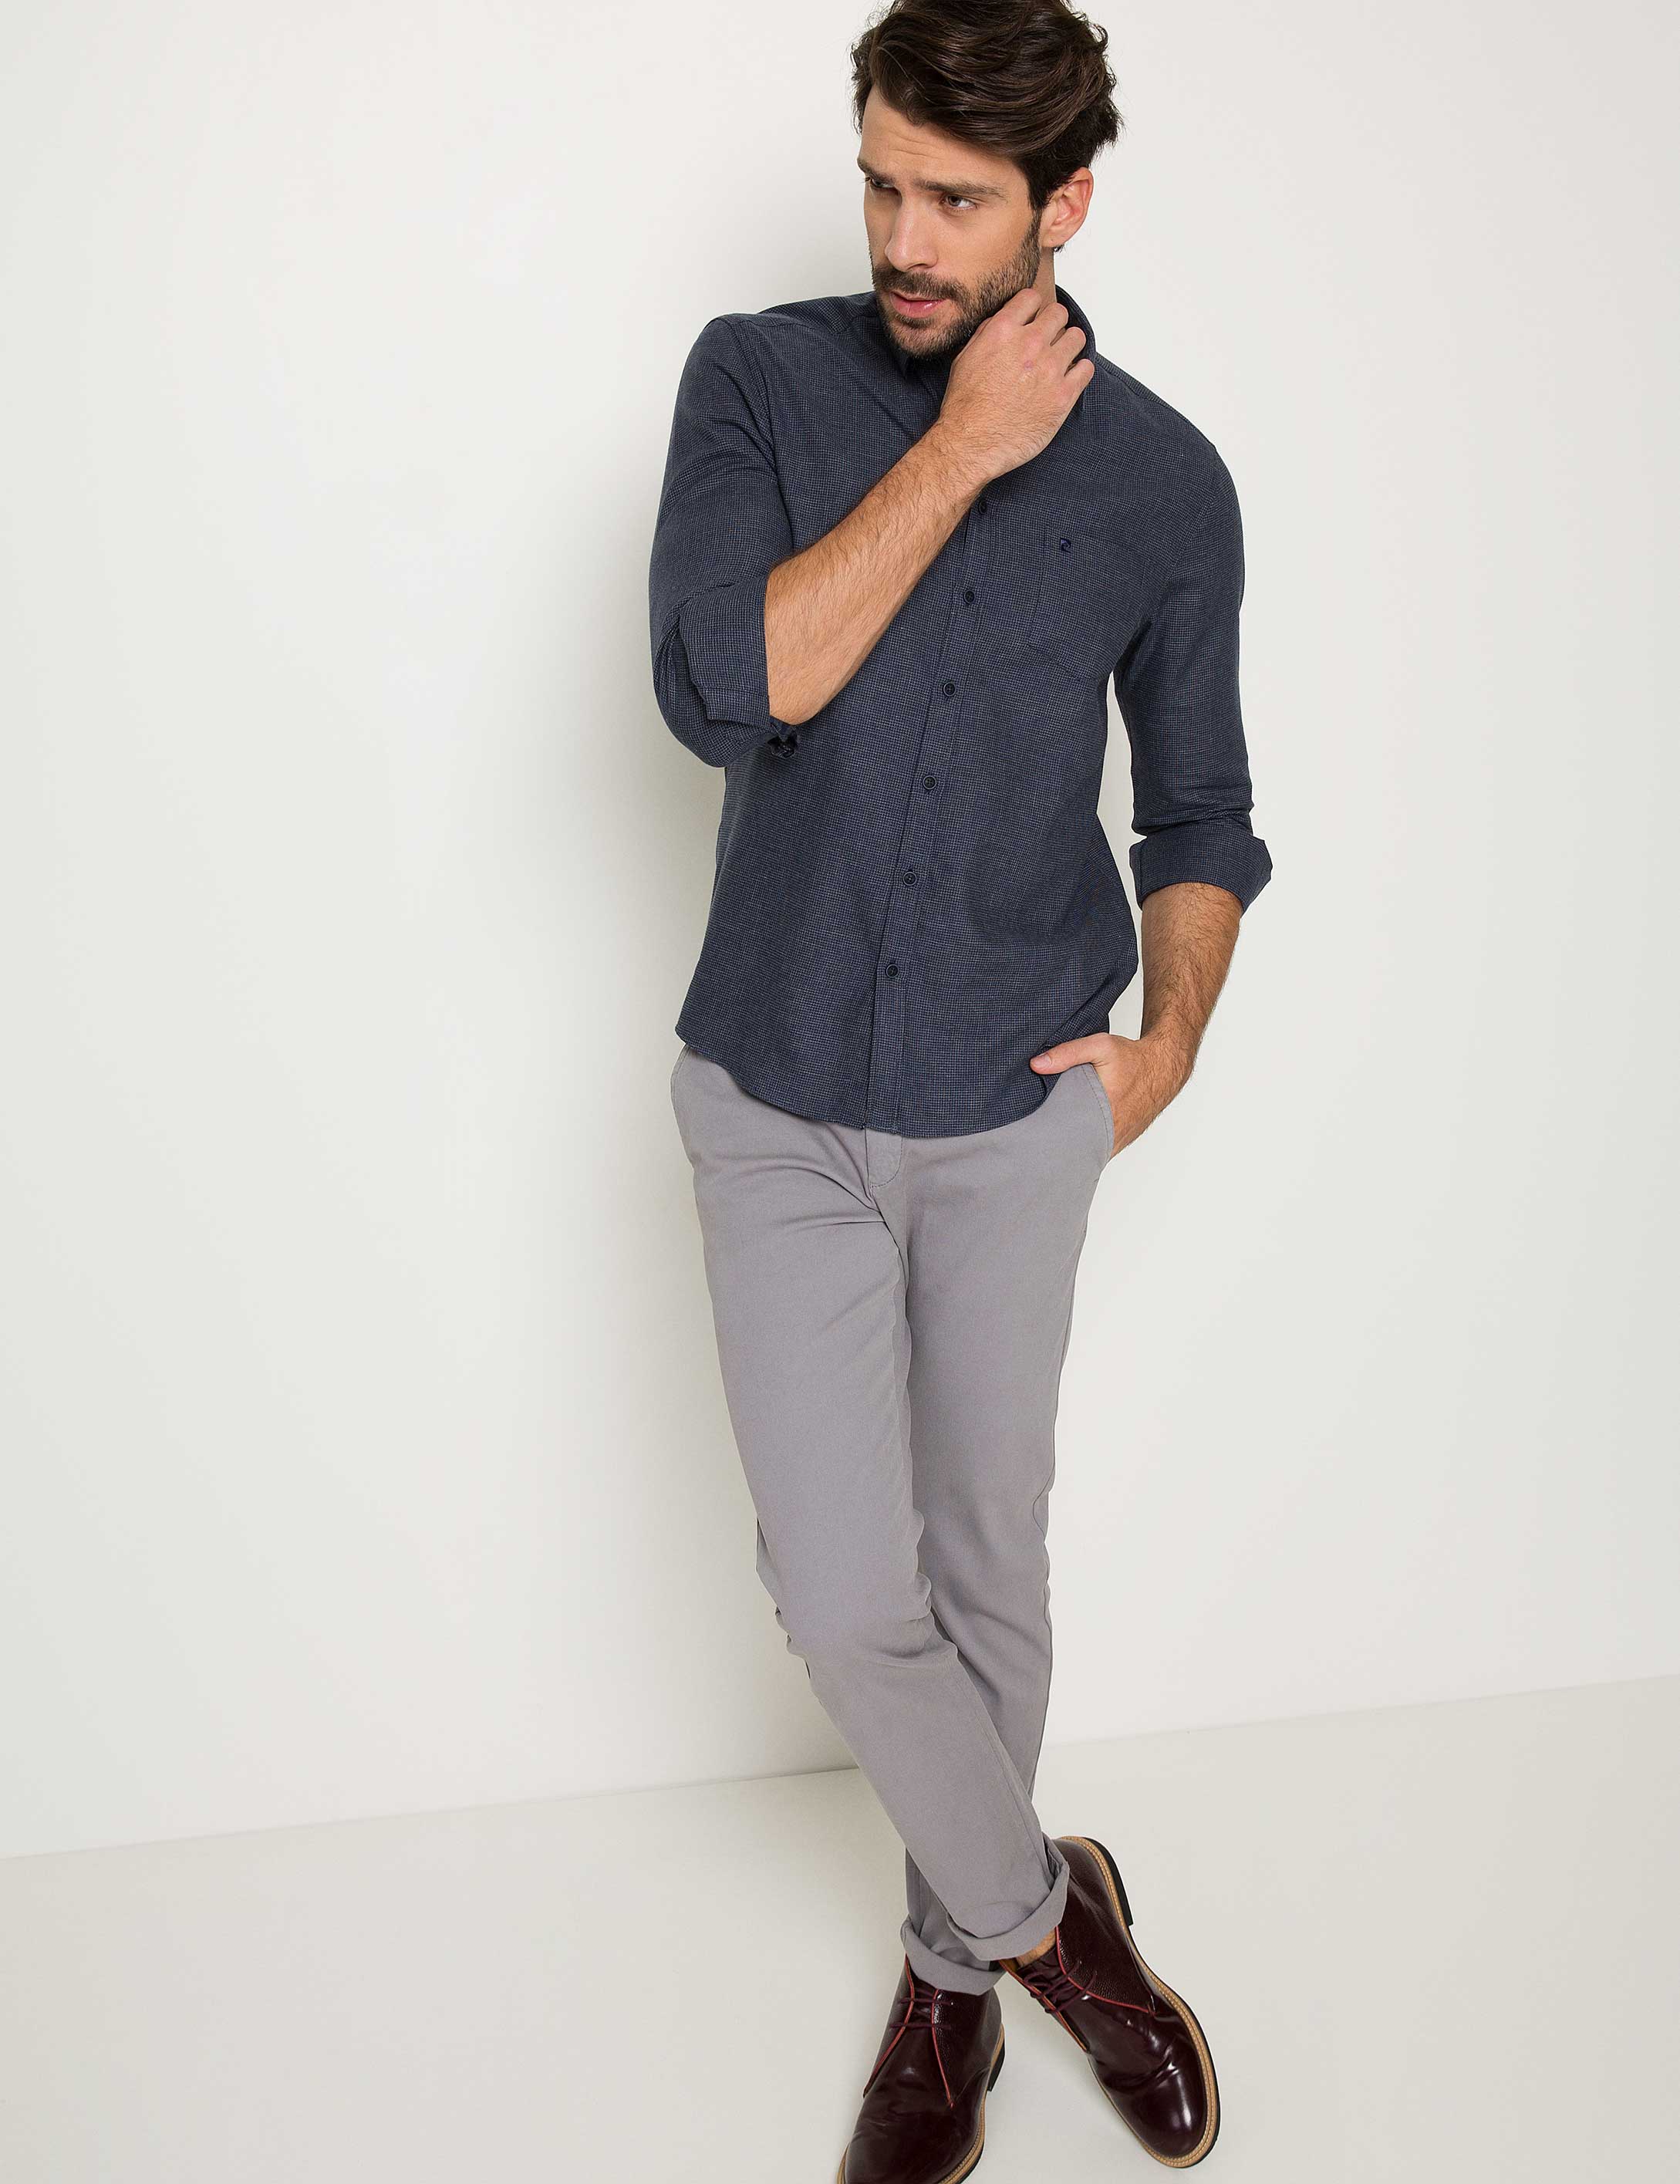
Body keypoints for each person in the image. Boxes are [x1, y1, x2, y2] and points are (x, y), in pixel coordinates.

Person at [648, 1, 1271, 2172]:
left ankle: (944, 1991)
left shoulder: (1170, 483)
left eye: (956, 200)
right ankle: (1053, 1932)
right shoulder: (759, 379)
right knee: (841, 1594)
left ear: (1062, 203)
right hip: (778, 1089)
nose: (904, 240)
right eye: (880, 185)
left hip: (1016, 1104)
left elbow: (1198, 806)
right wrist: (963, 449)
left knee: (984, 1557)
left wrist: (1167, 1041)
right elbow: (732, 683)